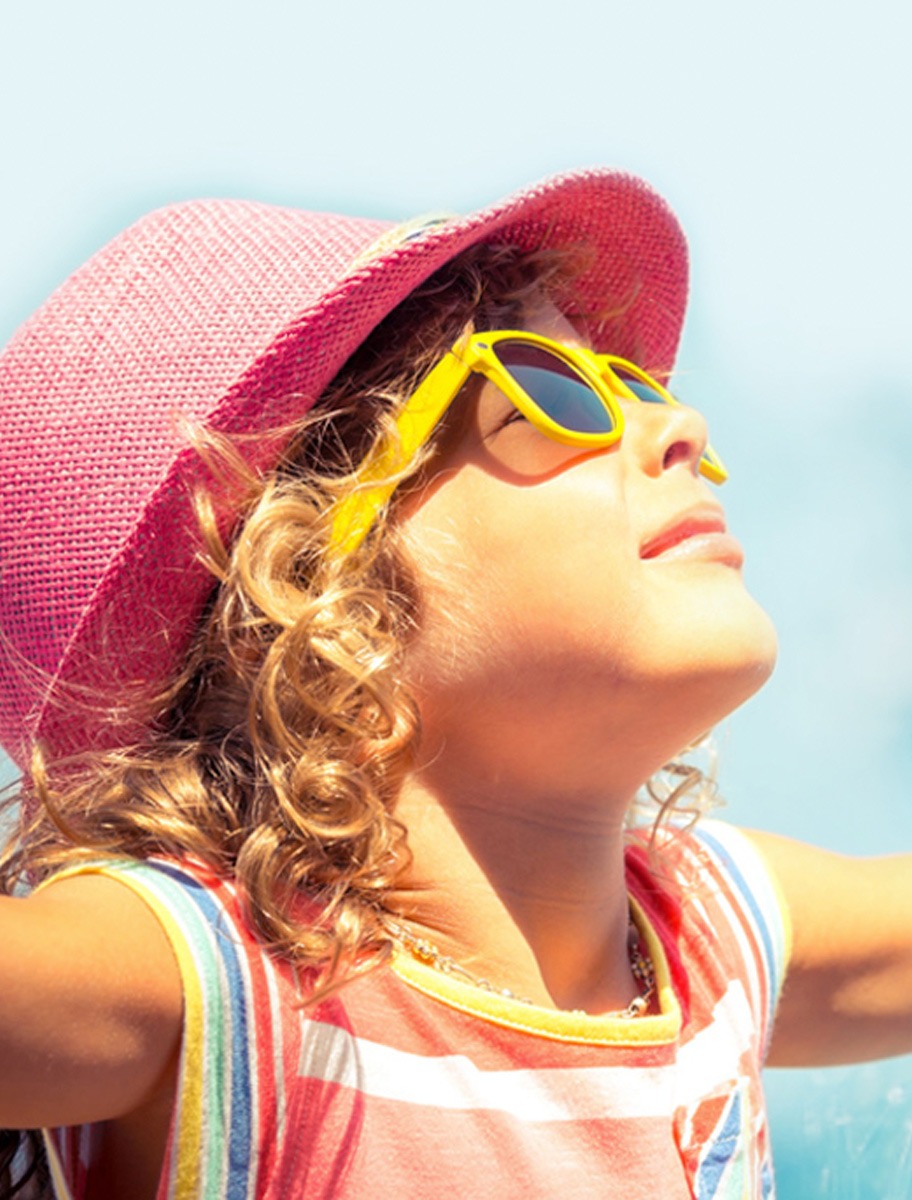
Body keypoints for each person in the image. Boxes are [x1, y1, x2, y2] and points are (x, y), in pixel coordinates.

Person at [0, 168, 909, 1200]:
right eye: (550, 389)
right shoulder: (219, 984)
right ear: (301, 585)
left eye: (640, 387)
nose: (682, 425)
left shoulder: (706, 936)